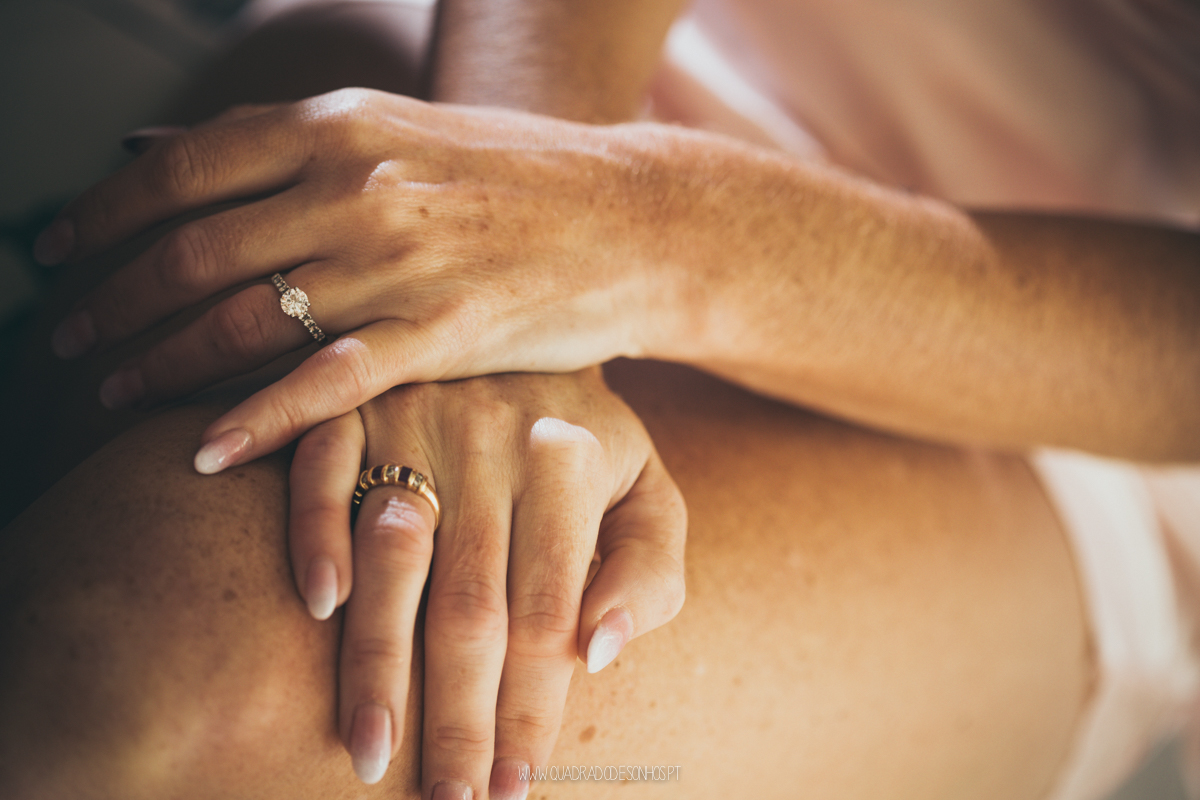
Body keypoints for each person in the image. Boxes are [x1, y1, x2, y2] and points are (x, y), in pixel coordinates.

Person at [1, 0, 1197, 798]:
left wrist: (640, 229)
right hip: (537, 72)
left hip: (1061, 378)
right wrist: (520, 223)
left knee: (181, 679)